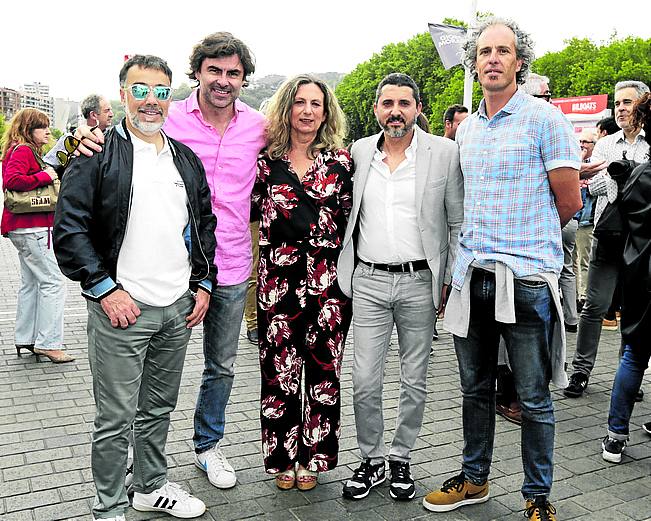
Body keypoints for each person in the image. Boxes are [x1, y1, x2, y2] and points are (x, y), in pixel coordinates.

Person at [74, 32, 267, 489]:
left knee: (220, 365)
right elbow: (121, 137)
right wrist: (78, 139)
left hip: (233, 265)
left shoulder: (259, 126)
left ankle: (208, 447)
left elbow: (300, 146)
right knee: (142, 378)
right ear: (196, 72)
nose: (223, 81)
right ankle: (134, 466)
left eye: (233, 73)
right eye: (214, 70)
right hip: (171, 275)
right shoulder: (168, 116)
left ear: (243, 79)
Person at [422, 18, 581, 520]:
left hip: (527, 281)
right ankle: (475, 479)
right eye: (484, 51)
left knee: (533, 397)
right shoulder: (467, 128)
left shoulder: (545, 119)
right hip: (472, 278)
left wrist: (528, 242)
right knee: (473, 389)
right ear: (474, 61)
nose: (492, 58)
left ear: (519, 61)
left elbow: (570, 200)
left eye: (502, 51)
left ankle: (537, 498)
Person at [53, 54, 217, 521]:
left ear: (171, 97)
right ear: (123, 93)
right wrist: (104, 289)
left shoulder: (184, 158)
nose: (150, 100)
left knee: (157, 410)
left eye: (160, 91)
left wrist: (202, 283)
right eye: (140, 89)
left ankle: (149, 486)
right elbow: (68, 231)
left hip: (176, 309)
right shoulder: (95, 155)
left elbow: (204, 223)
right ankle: (108, 507)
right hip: (121, 309)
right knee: (115, 420)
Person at [339, 73, 464, 502]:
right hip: (368, 280)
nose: (395, 111)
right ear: (376, 109)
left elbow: (456, 221)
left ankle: (401, 457)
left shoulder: (445, 153)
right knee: (363, 379)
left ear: (417, 108)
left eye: (404, 103)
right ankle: (370, 458)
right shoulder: (358, 153)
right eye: (387, 103)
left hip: (420, 282)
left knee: (415, 379)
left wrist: (449, 279)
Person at [253, 74, 353, 491]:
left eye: (316, 103)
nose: (308, 110)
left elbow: (351, 222)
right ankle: (281, 457)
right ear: (286, 109)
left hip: (328, 283)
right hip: (277, 279)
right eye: (300, 103)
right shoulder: (265, 162)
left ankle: (313, 457)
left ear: (326, 112)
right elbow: (250, 215)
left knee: (323, 370)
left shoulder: (342, 163)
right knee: (278, 372)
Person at [564, 80, 650, 399]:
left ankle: (628, 376)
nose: (621, 108)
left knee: (633, 309)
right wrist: (624, 180)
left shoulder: (649, 144)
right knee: (594, 307)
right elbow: (594, 186)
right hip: (607, 235)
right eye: (618, 103)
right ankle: (580, 372)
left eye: (628, 102)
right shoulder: (606, 144)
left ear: (643, 104)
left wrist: (620, 180)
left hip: (641, 242)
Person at [601, 92, 651, 463]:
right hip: (640, 272)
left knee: (633, 354)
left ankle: (616, 436)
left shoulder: (639, 177)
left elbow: (618, 210)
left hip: (640, 275)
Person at [1, 108, 73, 364]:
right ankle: (49, 343)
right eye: (42, 127)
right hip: (33, 227)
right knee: (53, 282)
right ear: (29, 129)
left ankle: (26, 338)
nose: (46, 132)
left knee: (31, 283)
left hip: (23, 227)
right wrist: (45, 175)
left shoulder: (16, 149)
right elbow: (12, 180)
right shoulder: (23, 150)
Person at [574, 128, 599, 311]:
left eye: (586, 142)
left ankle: (584, 296)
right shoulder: (575, 162)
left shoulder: (596, 165)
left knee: (584, 260)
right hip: (572, 218)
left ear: (594, 145)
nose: (582, 145)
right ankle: (575, 295)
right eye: (580, 141)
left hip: (586, 221)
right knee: (571, 261)